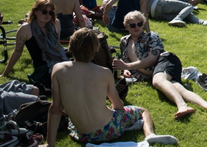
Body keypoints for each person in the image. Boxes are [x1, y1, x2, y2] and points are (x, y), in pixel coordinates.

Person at [46, 28, 178, 146]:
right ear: (94, 49)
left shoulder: (58, 70)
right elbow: (118, 106)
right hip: (109, 129)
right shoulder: (103, 72)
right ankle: (149, 135)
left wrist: (49, 144)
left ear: (71, 46)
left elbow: (55, 109)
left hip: (82, 134)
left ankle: (130, 125)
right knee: (143, 111)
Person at [113, 11, 207, 120]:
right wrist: (126, 70)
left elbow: (151, 60)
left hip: (166, 61)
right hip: (156, 71)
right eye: (133, 25)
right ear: (126, 26)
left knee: (157, 81)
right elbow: (125, 60)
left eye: (140, 24)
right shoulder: (124, 41)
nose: (137, 27)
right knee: (177, 87)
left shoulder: (151, 36)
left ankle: (183, 106)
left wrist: (127, 67)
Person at [0, 0, 70, 87]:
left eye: (51, 13)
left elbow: (57, 45)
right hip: (43, 68)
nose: (48, 15)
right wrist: (5, 73)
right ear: (35, 12)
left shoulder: (55, 23)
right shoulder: (26, 28)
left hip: (60, 58)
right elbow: (17, 52)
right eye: (44, 12)